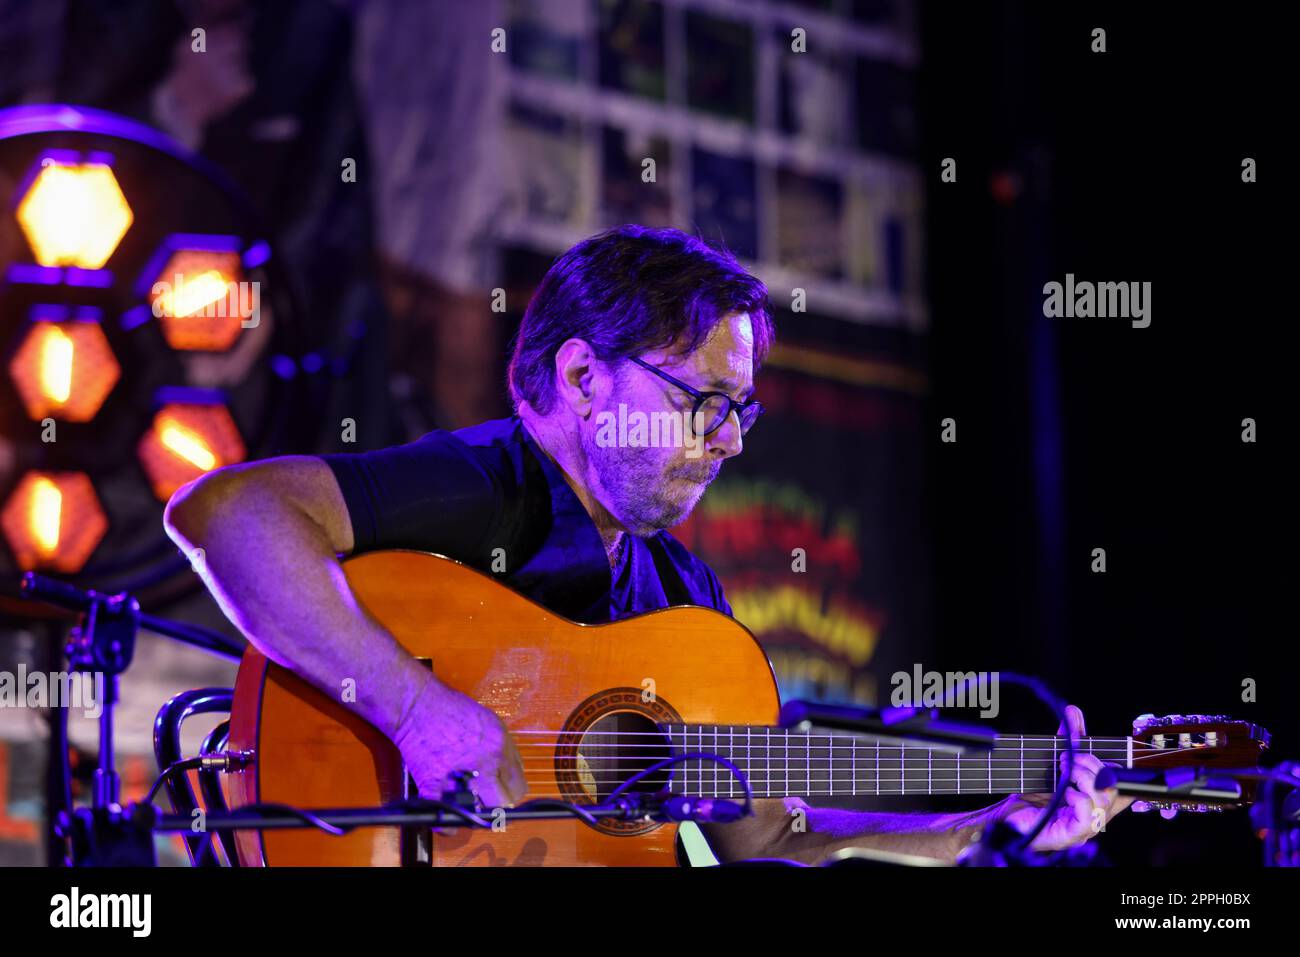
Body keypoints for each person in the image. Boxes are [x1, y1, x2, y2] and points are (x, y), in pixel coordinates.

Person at [164, 224, 1130, 864]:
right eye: (704, 401)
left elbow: (762, 827)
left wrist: (990, 817)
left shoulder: (684, 596)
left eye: (742, 410)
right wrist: (418, 712)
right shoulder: (488, 486)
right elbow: (224, 515)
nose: (732, 438)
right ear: (583, 377)